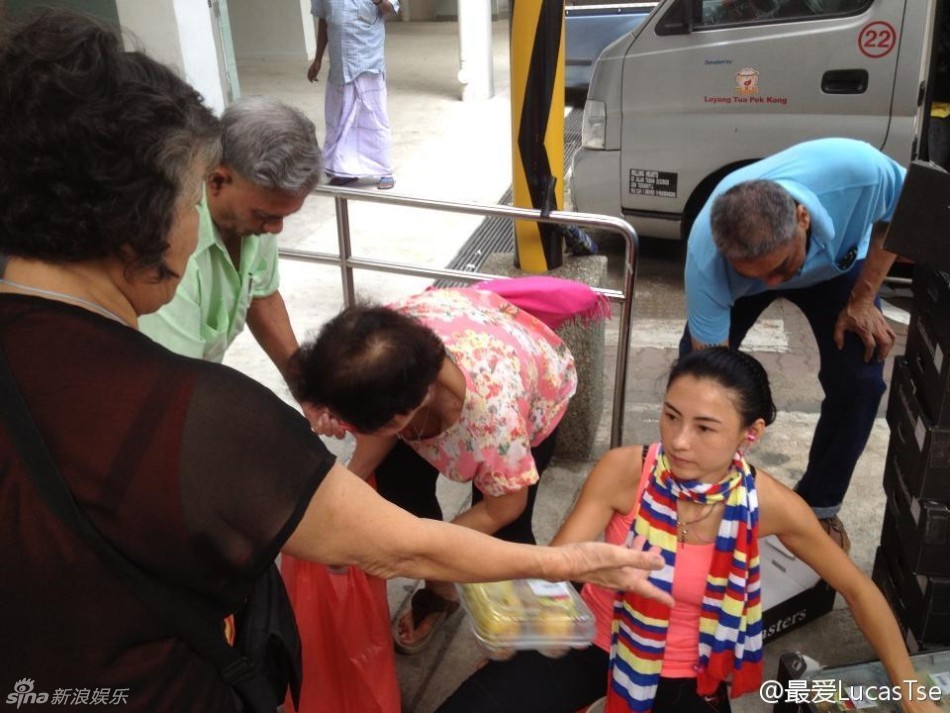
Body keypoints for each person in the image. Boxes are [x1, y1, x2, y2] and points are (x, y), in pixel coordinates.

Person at [0, 11, 672, 710]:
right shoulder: (202, 416)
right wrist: (570, 561)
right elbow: (400, 546)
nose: (194, 223)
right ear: (137, 214)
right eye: (187, 198)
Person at [438, 347, 940, 713]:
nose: (678, 442)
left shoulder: (770, 505)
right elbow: (554, 570)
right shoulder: (623, 470)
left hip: (683, 672)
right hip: (590, 640)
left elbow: (856, 588)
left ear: (751, 434)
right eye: (670, 416)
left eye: (704, 427)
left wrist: (910, 690)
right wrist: (527, 630)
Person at [292, 288, 577, 653]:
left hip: (533, 384)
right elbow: (375, 435)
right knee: (399, 491)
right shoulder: (378, 346)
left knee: (505, 540)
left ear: (406, 413)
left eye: (353, 425)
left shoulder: (494, 424)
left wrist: (415, 551)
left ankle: (516, 647)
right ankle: (441, 592)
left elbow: (503, 508)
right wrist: (339, 496)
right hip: (457, 337)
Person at [681, 137, 907, 553]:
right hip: (737, 288)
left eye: (782, 268)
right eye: (757, 274)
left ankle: (819, 507)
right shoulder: (707, 260)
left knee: (860, 382)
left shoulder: (860, 170)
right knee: (699, 389)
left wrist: (863, 296)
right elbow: (713, 381)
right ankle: (705, 494)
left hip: (839, 268)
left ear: (803, 217)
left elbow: (906, 211)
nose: (775, 285)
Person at [138, 94, 321, 383]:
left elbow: (261, 294)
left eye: (284, 217)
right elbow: (172, 380)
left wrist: (305, 387)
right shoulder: (169, 242)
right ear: (217, 181)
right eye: (266, 215)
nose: (275, 229)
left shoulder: (254, 218)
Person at [307, 0, 398, 190]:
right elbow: (324, 20)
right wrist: (317, 59)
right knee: (340, 118)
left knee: (373, 117)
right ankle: (345, 171)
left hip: (368, 62)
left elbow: (391, 9)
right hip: (340, 64)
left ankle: (383, 170)